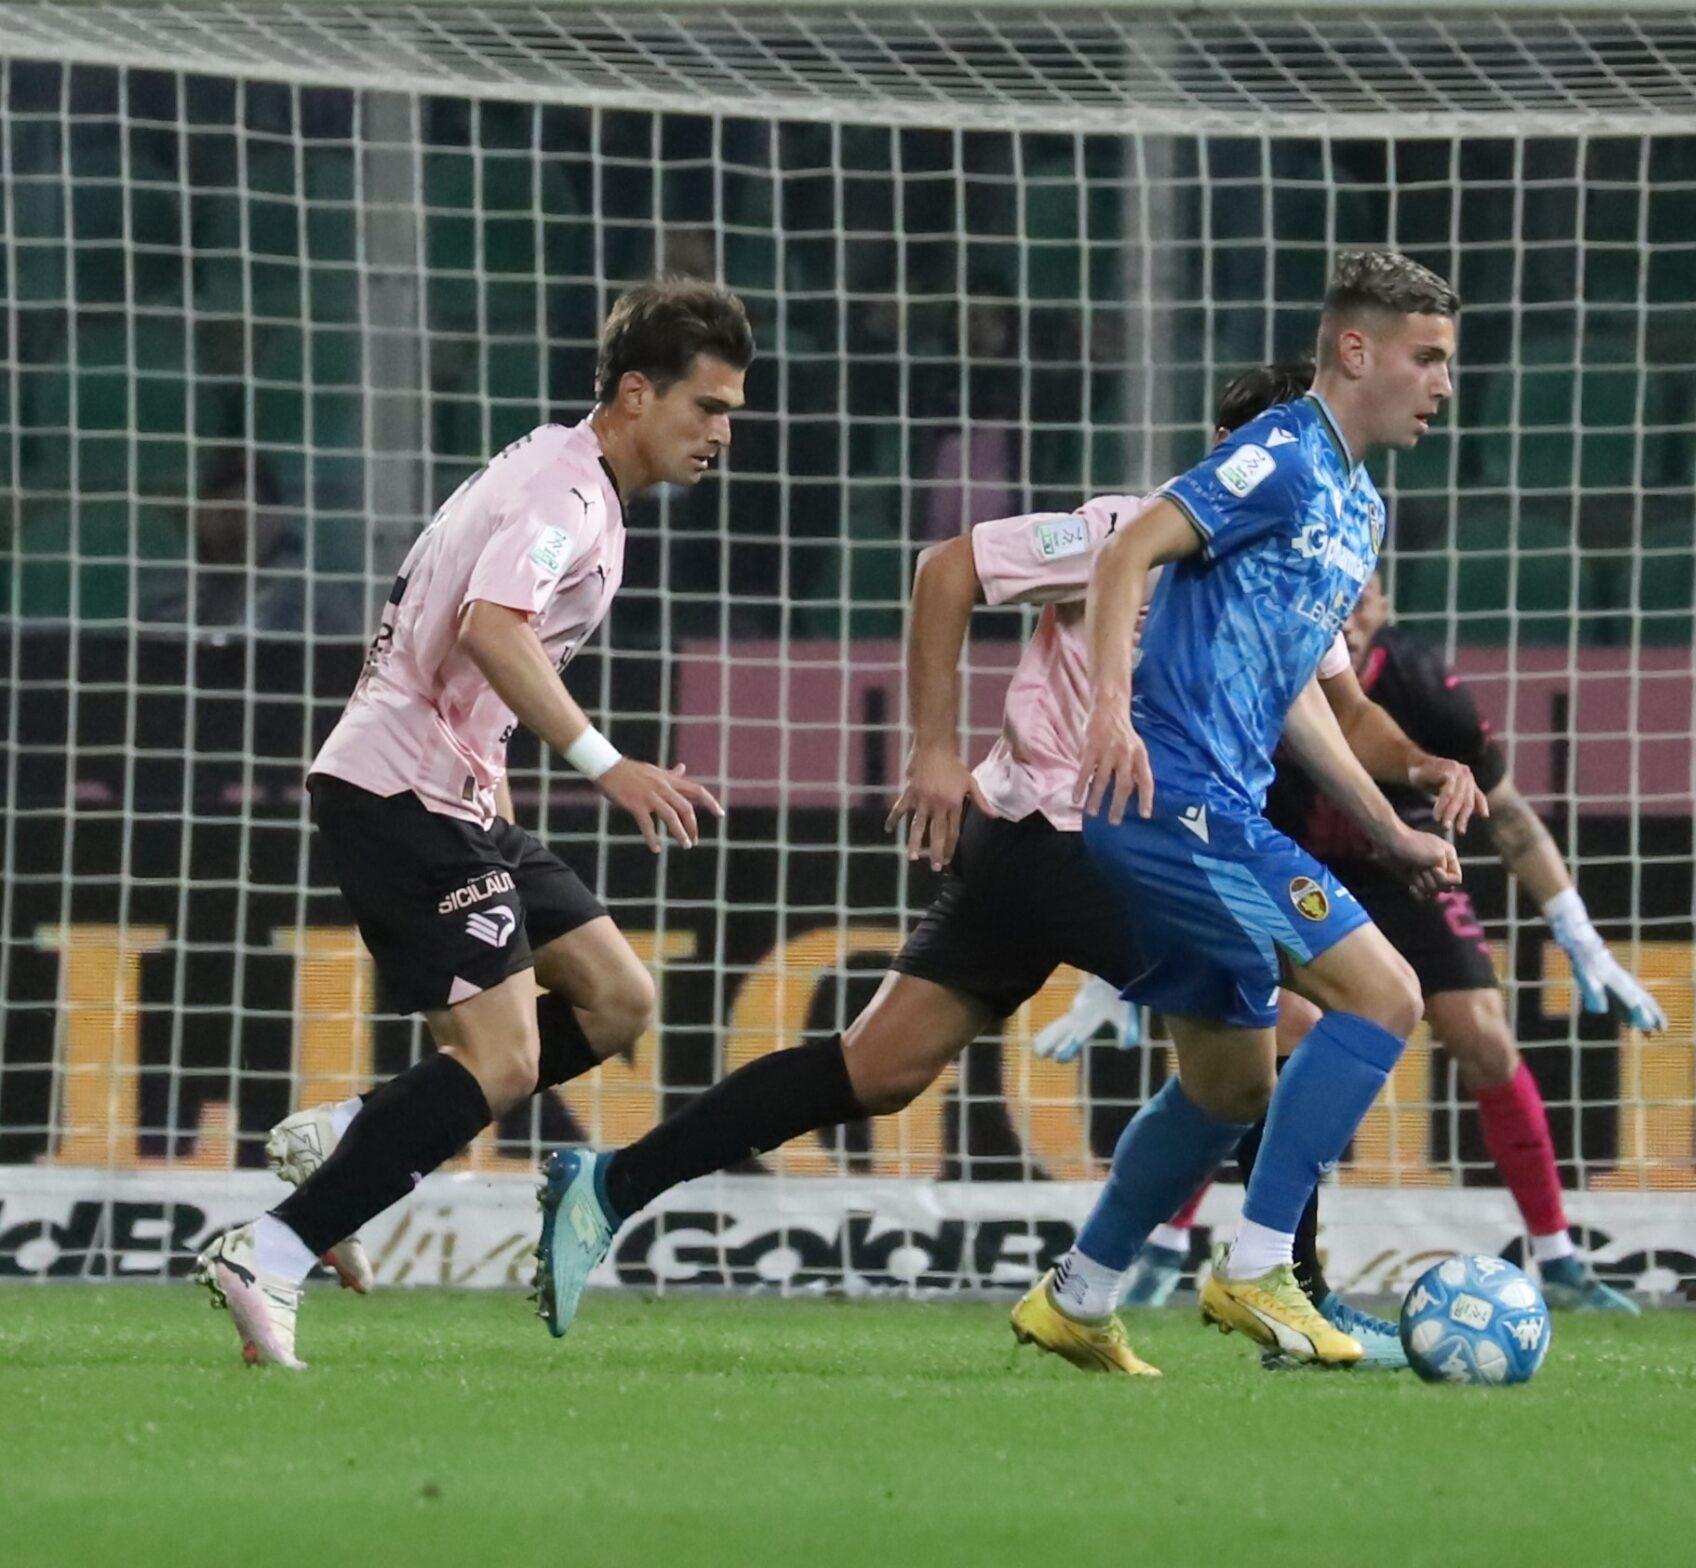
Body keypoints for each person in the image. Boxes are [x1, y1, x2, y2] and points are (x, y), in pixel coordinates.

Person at [523, 358, 1481, 1336]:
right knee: (1281, 1034)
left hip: (1083, 849)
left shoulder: (1291, 575)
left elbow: (1338, 711)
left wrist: (1421, 768)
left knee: (880, 1068)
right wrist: (932, 750)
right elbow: (948, 569)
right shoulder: (1124, 533)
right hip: (1052, 834)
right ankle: (1281, 1295)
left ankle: (608, 1183)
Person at [193, 277, 751, 1369]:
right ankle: (270, 1248)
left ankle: (352, 1132)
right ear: (636, 394)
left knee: (618, 999)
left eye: (730, 412)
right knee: (500, 1061)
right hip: (400, 790)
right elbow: (492, 626)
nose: (721, 434)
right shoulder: (568, 496)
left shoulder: (568, 473)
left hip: (459, 790)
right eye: (708, 408)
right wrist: (607, 764)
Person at [1009, 250, 1463, 1376]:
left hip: (1215, 800)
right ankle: (1259, 1264)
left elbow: (1299, 691)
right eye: (1429, 358)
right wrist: (1109, 711)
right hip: (1173, 801)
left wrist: (1387, 823)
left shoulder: (1359, 508)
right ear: (1355, 350)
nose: (1445, 384)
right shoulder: (1280, 452)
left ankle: (1080, 1294)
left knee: (1229, 1082)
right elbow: (1128, 547)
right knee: (1383, 995)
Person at [1060, 573, 1663, 1326]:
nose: (1346, 609)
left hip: (1402, 870)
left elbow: (1507, 819)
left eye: (1363, 595)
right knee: (1254, 1043)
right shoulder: (1248, 657)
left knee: (1480, 1032)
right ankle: (1187, 1251)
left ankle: (1559, 1255)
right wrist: (1113, 971)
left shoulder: (1421, 687)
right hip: (1282, 863)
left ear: (1381, 608)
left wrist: (1582, 939)